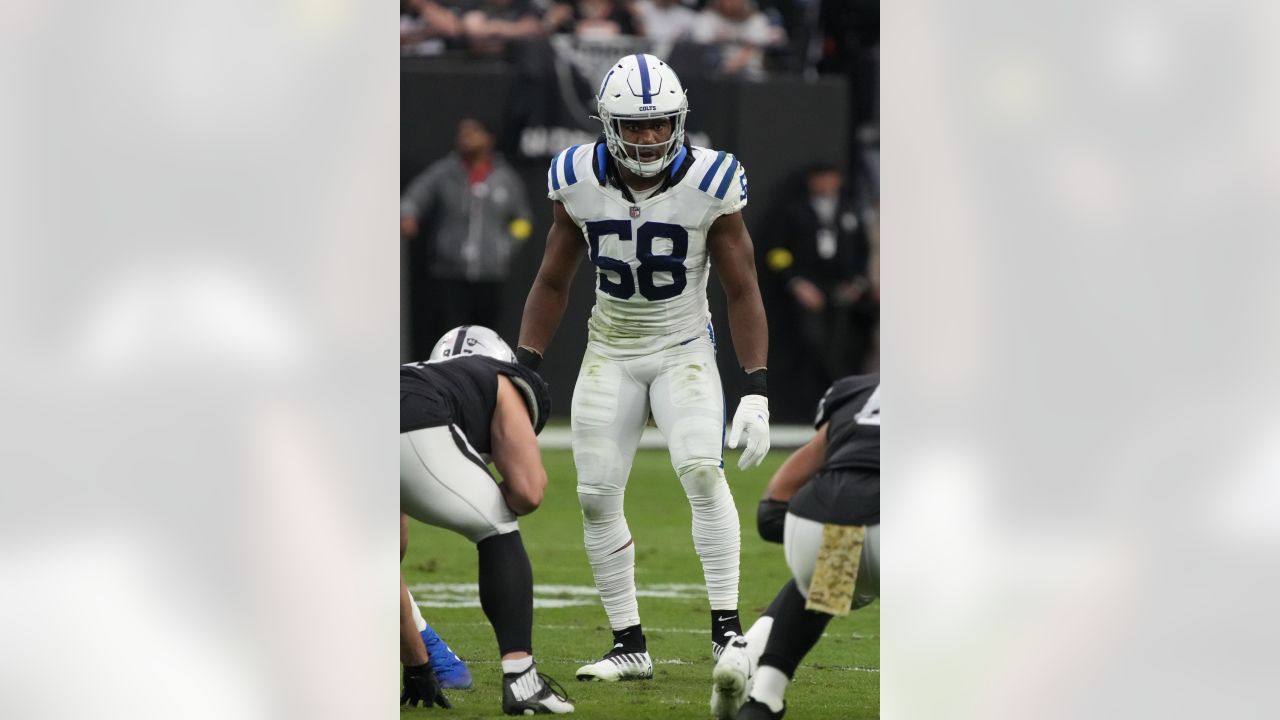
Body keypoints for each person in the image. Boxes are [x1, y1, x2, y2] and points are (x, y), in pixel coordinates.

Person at [516, 53, 771, 681]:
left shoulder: (712, 181)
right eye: (634, 125)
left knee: (701, 474)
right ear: (608, 124)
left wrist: (756, 388)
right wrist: (524, 366)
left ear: (679, 120)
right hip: (610, 351)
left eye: (659, 124)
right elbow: (552, 280)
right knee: (596, 495)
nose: (648, 137)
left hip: (684, 348)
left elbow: (742, 289)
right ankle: (629, 644)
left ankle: (726, 635)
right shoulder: (575, 177)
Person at [400, 325, 575, 714]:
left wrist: (416, 665)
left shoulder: (415, 375)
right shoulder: (502, 380)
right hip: (414, 421)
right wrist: (496, 494)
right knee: (497, 528)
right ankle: (522, 680)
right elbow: (529, 492)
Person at [709, 374, 880, 720]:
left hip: (816, 519)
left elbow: (774, 503)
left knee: (825, 580)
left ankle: (762, 698)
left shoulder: (860, 390)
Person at [401, 119, 533, 358]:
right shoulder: (445, 172)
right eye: (462, 133)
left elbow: (523, 220)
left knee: (487, 337)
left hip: (490, 274)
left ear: (488, 139)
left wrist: (504, 246)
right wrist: (408, 213)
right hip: (450, 273)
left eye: (473, 133)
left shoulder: (505, 178)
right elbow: (415, 196)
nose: (465, 138)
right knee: (450, 337)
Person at [762, 162, 876, 391]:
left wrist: (857, 283)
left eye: (831, 177)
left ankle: (840, 396)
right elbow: (776, 252)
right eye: (820, 178)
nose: (826, 183)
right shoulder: (794, 210)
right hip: (807, 288)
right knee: (810, 345)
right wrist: (796, 282)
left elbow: (863, 251)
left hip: (843, 291)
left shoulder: (849, 210)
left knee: (844, 347)